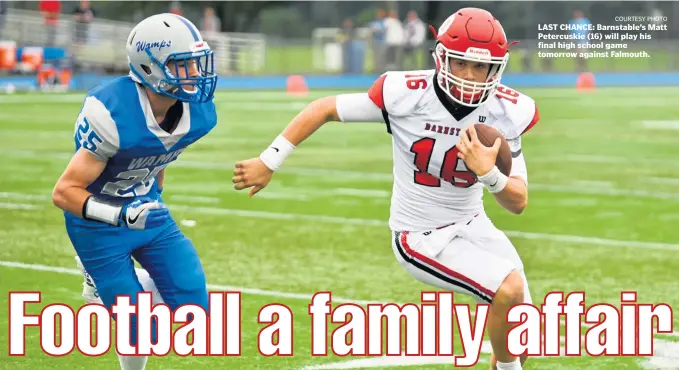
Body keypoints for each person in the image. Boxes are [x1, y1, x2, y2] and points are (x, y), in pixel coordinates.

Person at [232, 7, 538, 370]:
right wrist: (269, 161)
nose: (470, 77)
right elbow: (324, 108)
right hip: (420, 236)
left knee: (523, 330)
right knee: (509, 290)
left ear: (496, 68)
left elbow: (517, 201)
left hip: (473, 224)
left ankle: (504, 362)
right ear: (441, 58)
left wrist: (490, 175)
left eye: (480, 67)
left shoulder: (506, 110)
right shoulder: (406, 94)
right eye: (460, 64)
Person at [52, 13, 218, 370]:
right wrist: (120, 215)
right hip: (98, 225)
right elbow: (64, 192)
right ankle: (99, 283)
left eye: (196, 63)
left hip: (148, 211)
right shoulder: (114, 113)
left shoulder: (197, 111)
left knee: (195, 309)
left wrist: (152, 198)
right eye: (184, 65)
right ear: (150, 67)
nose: (196, 74)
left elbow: (159, 155)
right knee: (142, 329)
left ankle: (142, 281)